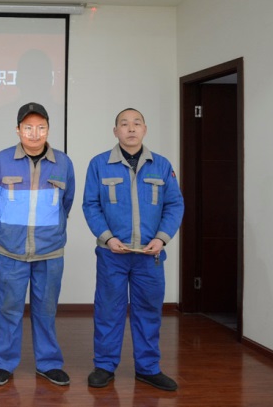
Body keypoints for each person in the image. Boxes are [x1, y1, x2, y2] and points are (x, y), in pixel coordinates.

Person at [82, 108, 184, 391]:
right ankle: (104, 366)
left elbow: (175, 204)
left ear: (144, 129)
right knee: (108, 311)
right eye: (124, 124)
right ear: (115, 131)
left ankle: (148, 369)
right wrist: (107, 238)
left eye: (136, 123)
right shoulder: (99, 164)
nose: (131, 128)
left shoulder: (161, 165)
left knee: (149, 311)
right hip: (112, 254)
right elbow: (90, 205)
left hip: (149, 256)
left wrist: (162, 239)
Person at [0, 102, 75, 387]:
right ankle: (3, 363)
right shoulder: (1, 160)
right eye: (28, 128)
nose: (34, 134)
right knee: (9, 309)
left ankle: (48, 364)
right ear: (18, 130)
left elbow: (66, 202)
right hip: (11, 251)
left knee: (46, 310)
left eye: (41, 128)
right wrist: (9, 229)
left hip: (50, 251)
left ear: (48, 129)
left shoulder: (63, 163)